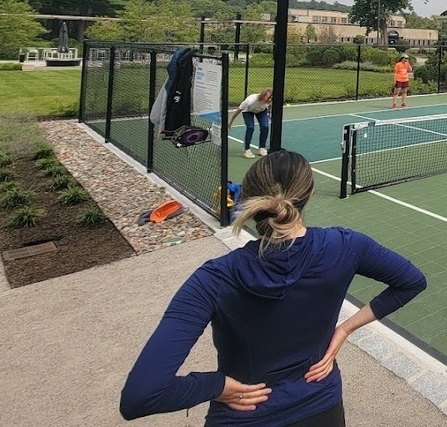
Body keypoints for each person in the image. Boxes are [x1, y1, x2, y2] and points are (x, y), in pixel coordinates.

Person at [120, 150, 427, 426]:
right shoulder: (347, 246)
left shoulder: (213, 279)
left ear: (250, 202)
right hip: (324, 409)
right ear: (309, 194)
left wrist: (217, 386)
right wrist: (344, 330)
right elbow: (411, 281)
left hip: (243, 417)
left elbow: (142, 396)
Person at [228, 88, 272, 159]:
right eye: (268, 97)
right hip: (248, 111)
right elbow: (238, 110)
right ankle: (247, 150)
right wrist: (230, 121)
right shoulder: (250, 101)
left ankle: (262, 148)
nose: (269, 100)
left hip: (261, 111)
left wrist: (270, 113)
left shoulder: (270, 100)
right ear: (263, 95)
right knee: (250, 127)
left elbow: (270, 105)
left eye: (271, 98)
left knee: (265, 126)